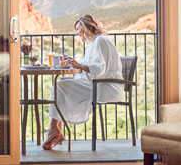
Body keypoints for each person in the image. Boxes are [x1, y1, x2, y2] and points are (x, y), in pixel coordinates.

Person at [42, 14, 124, 150]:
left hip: (108, 87)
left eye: (78, 29)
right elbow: (91, 65)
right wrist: (75, 62)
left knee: (61, 86)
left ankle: (54, 130)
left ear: (86, 28)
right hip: (99, 83)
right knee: (61, 85)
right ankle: (56, 130)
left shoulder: (101, 41)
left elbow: (100, 68)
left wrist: (79, 66)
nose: (77, 34)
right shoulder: (95, 42)